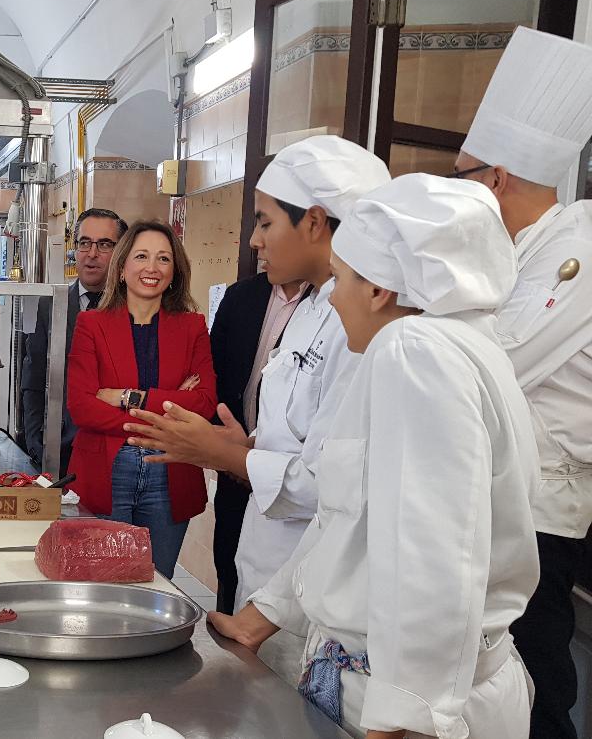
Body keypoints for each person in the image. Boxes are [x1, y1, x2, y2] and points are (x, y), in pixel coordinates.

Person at [200, 174, 540, 739]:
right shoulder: (460, 343)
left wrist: (403, 713)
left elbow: (436, 551)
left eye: (339, 279)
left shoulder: (415, 351)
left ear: (380, 290)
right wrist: (264, 616)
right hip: (412, 689)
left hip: (412, 711)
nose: (331, 299)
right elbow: (349, 511)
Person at [118, 136, 390, 609]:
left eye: (265, 222)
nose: (254, 240)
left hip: (311, 584)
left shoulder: (363, 324)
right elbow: (297, 434)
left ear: (314, 222)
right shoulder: (311, 306)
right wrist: (241, 446)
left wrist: (231, 458)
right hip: (266, 565)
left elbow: (338, 484)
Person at [452, 26, 592, 739]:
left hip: (539, 508)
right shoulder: (519, 251)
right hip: (499, 499)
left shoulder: (579, 250)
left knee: (538, 672)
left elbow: (493, 366)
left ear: (496, 180)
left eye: (462, 178)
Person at [64, 220, 217, 578]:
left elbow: (205, 403)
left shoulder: (193, 327)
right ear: (121, 268)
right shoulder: (92, 324)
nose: (152, 268)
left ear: (174, 271)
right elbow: (82, 405)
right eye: (142, 256)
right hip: (107, 471)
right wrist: (171, 406)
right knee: (105, 584)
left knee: (156, 581)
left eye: (163, 259)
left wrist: (127, 397)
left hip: (170, 469)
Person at [208, 271, 307, 613]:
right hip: (236, 453)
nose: (256, 241)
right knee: (230, 557)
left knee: (286, 584)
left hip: (293, 472)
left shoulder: (328, 304)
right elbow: (214, 368)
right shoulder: (242, 296)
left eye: (267, 223)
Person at [20, 207, 128, 477]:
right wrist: (36, 442)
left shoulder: (135, 310)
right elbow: (33, 381)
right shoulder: (50, 306)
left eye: (104, 244)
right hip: (61, 454)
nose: (92, 254)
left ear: (121, 252)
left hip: (118, 455)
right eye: (84, 243)